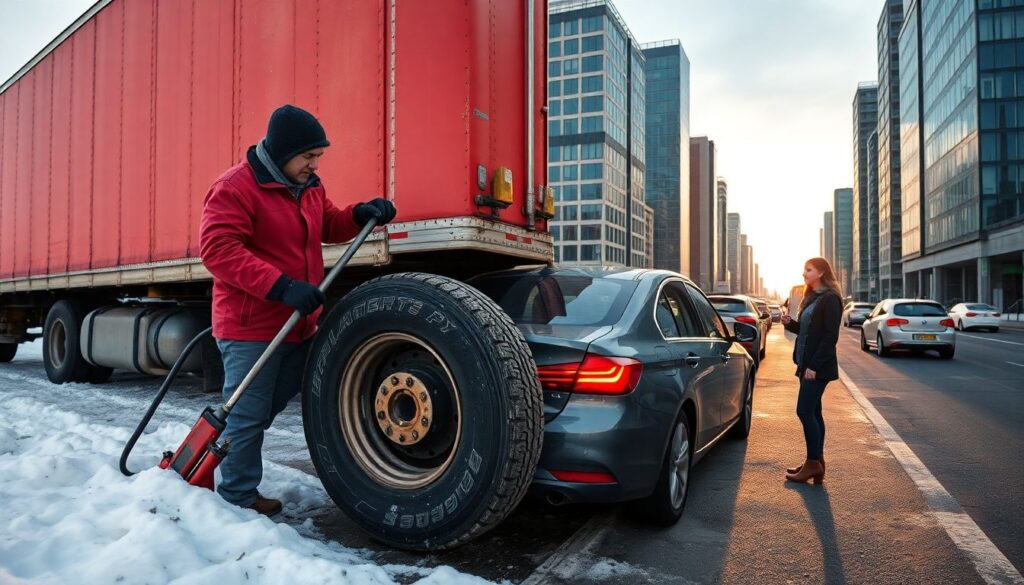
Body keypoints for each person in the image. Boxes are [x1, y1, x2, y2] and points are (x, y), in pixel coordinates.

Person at [199, 104, 397, 515]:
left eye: (318, 156)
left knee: (261, 411)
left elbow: (329, 224)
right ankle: (236, 500)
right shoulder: (235, 187)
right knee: (248, 415)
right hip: (251, 327)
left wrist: (361, 214)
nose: (315, 164)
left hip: (298, 325)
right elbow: (218, 251)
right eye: (308, 156)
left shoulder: (308, 187)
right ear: (284, 152)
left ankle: (230, 461)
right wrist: (281, 286)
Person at [779, 257, 842, 484]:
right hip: (806, 364)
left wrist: (814, 366)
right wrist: (790, 323)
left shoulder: (830, 299)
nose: (804, 273)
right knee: (814, 413)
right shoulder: (812, 297)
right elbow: (807, 331)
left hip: (818, 367)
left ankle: (813, 463)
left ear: (821, 273)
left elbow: (829, 336)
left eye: (808, 270)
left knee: (804, 412)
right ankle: (816, 461)